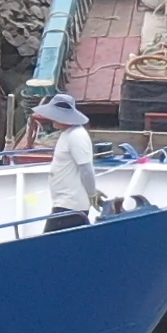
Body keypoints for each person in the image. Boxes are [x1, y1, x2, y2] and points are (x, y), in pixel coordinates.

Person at [34, 91, 98, 231]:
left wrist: (92, 193)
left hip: (71, 205)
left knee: (50, 241)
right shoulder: (67, 134)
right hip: (63, 203)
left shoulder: (77, 136)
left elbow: (86, 168)